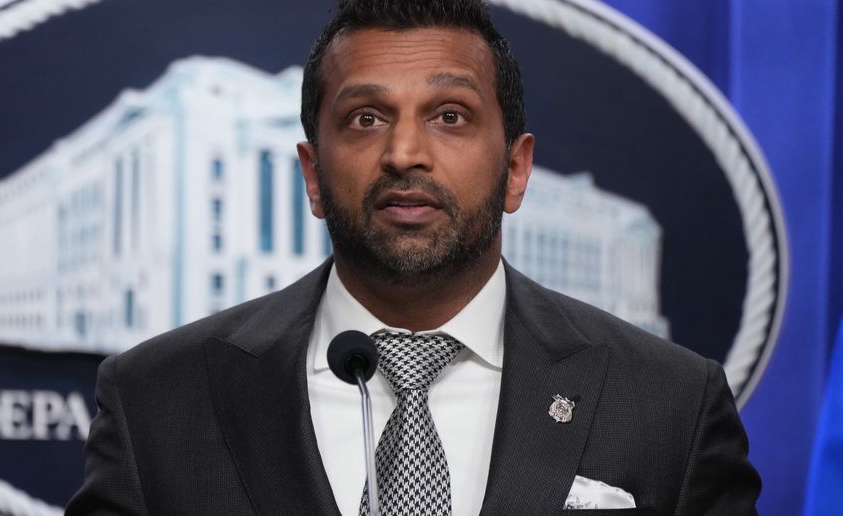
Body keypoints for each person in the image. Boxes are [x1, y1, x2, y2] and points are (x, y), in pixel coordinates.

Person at [67, 0, 761, 514]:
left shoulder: (668, 405)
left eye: (449, 115)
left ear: (516, 171)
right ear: (312, 175)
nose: (404, 153)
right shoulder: (157, 401)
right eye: (365, 119)